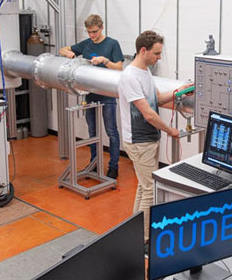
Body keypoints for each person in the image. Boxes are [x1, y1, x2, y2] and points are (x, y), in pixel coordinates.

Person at [118, 30, 193, 241]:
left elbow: (158, 99)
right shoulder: (130, 77)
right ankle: (143, 240)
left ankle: (134, 231)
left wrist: (179, 92)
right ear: (143, 51)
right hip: (139, 141)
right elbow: (149, 114)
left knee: (144, 186)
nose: (159, 57)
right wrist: (170, 131)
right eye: (157, 53)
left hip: (149, 139)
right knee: (151, 189)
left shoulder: (145, 72)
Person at [59, 14, 124, 179]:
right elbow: (63, 49)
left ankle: (113, 167)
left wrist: (105, 61)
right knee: (93, 131)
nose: (92, 35)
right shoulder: (86, 44)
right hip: (89, 95)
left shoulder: (112, 44)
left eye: (94, 31)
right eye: (89, 32)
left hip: (107, 95)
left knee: (111, 132)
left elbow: (119, 68)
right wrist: (69, 54)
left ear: (102, 27)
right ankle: (94, 163)